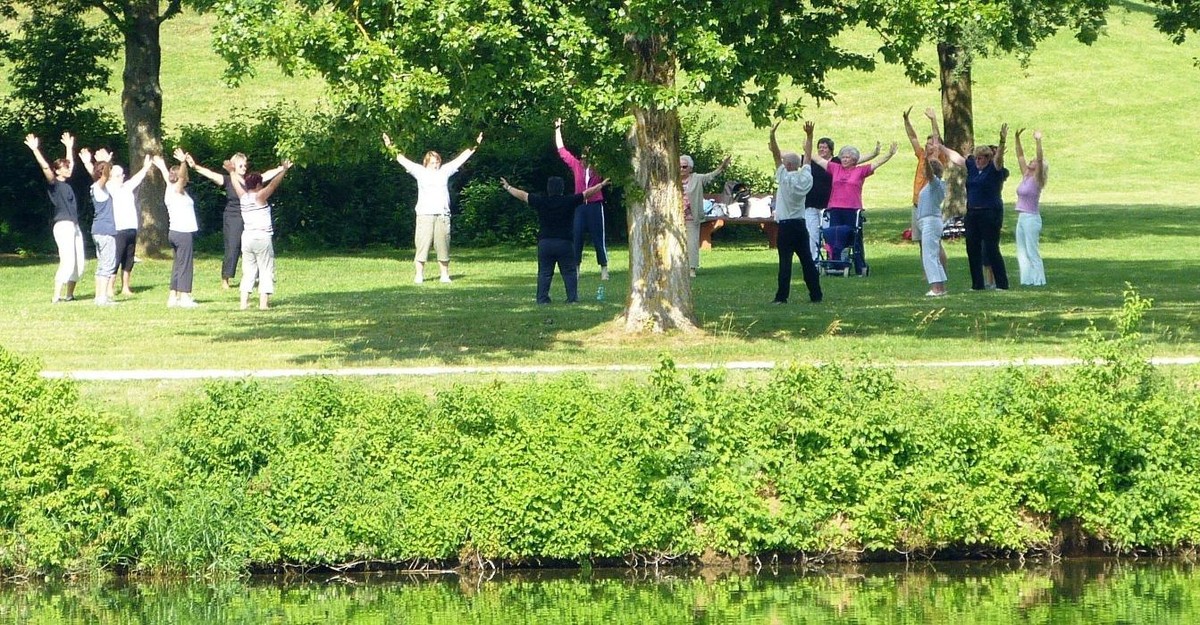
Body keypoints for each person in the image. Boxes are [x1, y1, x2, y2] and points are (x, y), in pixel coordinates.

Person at [383, 132, 482, 284]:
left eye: (437, 162)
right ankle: (419, 275)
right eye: (432, 162)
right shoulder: (419, 171)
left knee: (443, 246)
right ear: (426, 162)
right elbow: (401, 160)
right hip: (425, 214)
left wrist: (475, 143)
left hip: (442, 215)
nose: (435, 165)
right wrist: (389, 145)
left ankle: (444, 275)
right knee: (422, 246)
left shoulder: (444, 171)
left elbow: (461, 158)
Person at [805, 122, 897, 276]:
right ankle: (835, 265)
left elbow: (876, 164)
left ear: (855, 159)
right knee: (832, 236)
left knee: (855, 238)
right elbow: (815, 157)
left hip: (852, 209)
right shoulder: (835, 167)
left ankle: (860, 266)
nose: (845, 159)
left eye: (848, 157)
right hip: (834, 208)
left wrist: (888, 154)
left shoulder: (861, 171)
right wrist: (809, 138)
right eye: (843, 157)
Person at [500, 175, 609, 304]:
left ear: (548, 189)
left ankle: (542, 299)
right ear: (562, 189)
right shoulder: (569, 201)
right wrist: (601, 185)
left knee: (544, 273)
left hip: (545, 243)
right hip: (565, 243)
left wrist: (508, 187)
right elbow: (586, 194)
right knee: (569, 272)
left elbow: (523, 195)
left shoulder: (541, 201)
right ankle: (572, 298)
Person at [189, 153, 285, 289]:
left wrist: (282, 168)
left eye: (245, 165)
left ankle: (256, 276)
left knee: (252, 246)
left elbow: (267, 175)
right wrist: (194, 166)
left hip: (250, 217)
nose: (244, 168)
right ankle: (226, 278)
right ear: (234, 166)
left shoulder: (250, 181)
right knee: (233, 246)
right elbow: (210, 174)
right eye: (241, 165)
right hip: (233, 216)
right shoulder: (228, 179)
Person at [941, 124, 1010, 290]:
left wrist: (1002, 142)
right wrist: (941, 147)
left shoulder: (994, 170)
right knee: (972, 248)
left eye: (981, 158)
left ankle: (1001, 283)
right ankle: (977, 284)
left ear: (987, 159)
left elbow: (999, 159)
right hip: (972, 213)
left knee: (992, 248)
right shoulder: (972, 167)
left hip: (990, 213)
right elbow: (957, 158)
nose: (978, 161)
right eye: (977, 158)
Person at [795, 129, 878, 262]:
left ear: (831, 149)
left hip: (830, 206)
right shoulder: (823, 164)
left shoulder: (836, 163)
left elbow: (857, 160)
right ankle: (816, 261)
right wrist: (807, 143)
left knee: (835, 235)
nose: (821, 149)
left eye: (824, 147)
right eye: (819, 147)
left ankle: (838, 259)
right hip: (815, 204)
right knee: (814, 234)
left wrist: (875, 154)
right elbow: (798, 157)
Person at [80, 149, 152, 298]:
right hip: (116, 229)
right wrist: (92, 162)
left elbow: (138, 178)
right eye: (118, 175)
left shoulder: (127, 187)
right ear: (112, 177)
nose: (122, 177)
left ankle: (125, 287)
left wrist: (146, 167)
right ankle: (109, 289)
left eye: (122, 175)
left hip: (131, 228)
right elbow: (98, 176)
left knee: (128, 260)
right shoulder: (109, 188)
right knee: (113, 260)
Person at [24, 132, 84, 303]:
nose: (68, 168)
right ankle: (56, 296)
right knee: (68, 260)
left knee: (79, 262)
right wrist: (36, 150)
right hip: (63, 225)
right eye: (64, 167)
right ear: (57, 171)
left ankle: (69, 295)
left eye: (67, 166)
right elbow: (45, 168)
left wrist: (69, 147)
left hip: (74, 225)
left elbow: (70, 164)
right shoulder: (55, 185)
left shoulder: (68, 183)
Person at [767, 125, 820, 304]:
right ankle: (816, 294)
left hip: (786, 226)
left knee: (785, 263)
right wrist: (810, 136)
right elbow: (807, 160)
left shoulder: (785, 177)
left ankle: (782, 297)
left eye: (783, 161)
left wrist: (772, 136)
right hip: (800, 224)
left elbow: (775, 155)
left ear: (787, 165)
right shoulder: (806, 177)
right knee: (807, 261)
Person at [230, 161, 292, 309]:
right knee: (265, 270)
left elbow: (235, 184)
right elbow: (273, 185)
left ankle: (243, 303)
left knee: (248, 270)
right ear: (258, 185)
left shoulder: (243, 197)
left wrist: (232, 171)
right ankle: (263, 304)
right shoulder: (259, 197)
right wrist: (283, 170)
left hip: (247, 238)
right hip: (261, 237)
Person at [555, 119, 610, 282]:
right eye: (584, 156)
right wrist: (557, 129)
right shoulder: (576, 165)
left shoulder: (598, 167)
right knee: (577, 236)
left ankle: (604, 268)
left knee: (598, 237)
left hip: (595, 205)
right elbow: (561, 150)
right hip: (579, 205)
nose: (586, 159)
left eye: (589, 156)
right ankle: (576, 268)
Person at [904, 107, 949, 280]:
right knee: (922, 243)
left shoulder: (939, 159)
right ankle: (928, 272)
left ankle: (942, 270)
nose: (929, 145)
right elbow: (913, 138)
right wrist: (906, 121)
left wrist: (933, 120)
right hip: (917, 204)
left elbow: (937, 139)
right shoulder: (922, 156)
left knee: (934, 243)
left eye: (931, 143)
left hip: (929, 205)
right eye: (928, 142)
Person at [152, 149, 200, 307]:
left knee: (178, 264)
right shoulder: (177, 190)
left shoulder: (169, 188)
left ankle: (173, 296)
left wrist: (161, 165)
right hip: (183, 232)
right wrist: (183, 162)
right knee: (185, 264)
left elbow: (169, 176)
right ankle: (185, 296)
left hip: (174, 232)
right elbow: (180, 177)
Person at [680, 153, 730, 278]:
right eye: (679, 167)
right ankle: (676, 267)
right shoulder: (672, 179)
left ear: (690, 168)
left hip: (691, 216)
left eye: (684, 167)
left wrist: (722, 167)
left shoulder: (697, 178)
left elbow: (711, 176)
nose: (681, 169)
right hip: (675, 216)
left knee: (692, 243)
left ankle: (692, 268)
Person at [1013, 129, 1048, 286]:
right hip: (1021, 216)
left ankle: (1039, 279)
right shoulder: (1026, 175)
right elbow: (1020, 156)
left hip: (1031, 218)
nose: (1031, 161)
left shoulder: (1038, 179)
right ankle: (1027, 280)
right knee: (1021, 251)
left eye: (1033, 161)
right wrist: (1017, 138)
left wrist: (1038, 141)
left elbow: (1040, 159)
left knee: (1032, 250)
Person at [916, 140, 949, 296]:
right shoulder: (932, 186)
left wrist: (926, 161)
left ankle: (936, 288)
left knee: (928, 255)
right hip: (927, 222)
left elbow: (930, 172)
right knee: (932, 255)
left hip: (930, 221)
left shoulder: (936, 184)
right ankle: (940, 287)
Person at [85, 159, 118, 306]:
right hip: (105, 231)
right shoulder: (100, 186)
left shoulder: (95, 187)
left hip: (97, 230)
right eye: (108, 171)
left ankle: (99, 296)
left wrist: (89, 163)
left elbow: (99, 175)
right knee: (107, 265)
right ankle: (102, 298)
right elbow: (104, 176)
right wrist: (108, 162)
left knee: (101, 265)